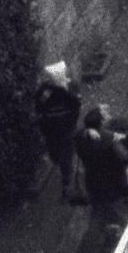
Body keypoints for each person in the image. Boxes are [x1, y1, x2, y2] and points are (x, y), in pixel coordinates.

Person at [33, 62, 83, 201]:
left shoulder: (69, 89)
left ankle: (66, 184)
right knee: (55, 154)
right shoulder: (46, 92)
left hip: (65, 130)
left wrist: (70, 123)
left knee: (65, 157)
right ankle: (64, 166)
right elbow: (39, 107)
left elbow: (75, 107)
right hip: (51, 130)